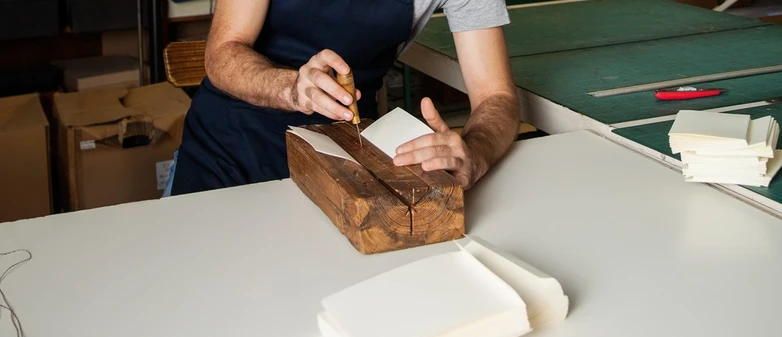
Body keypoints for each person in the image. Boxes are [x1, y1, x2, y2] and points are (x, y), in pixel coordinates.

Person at [167, 0, 521, 197]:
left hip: (343, 157)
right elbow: (223, 52)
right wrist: (292, 89)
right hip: (227, 150)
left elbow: (497, 95)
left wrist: (475, 150)